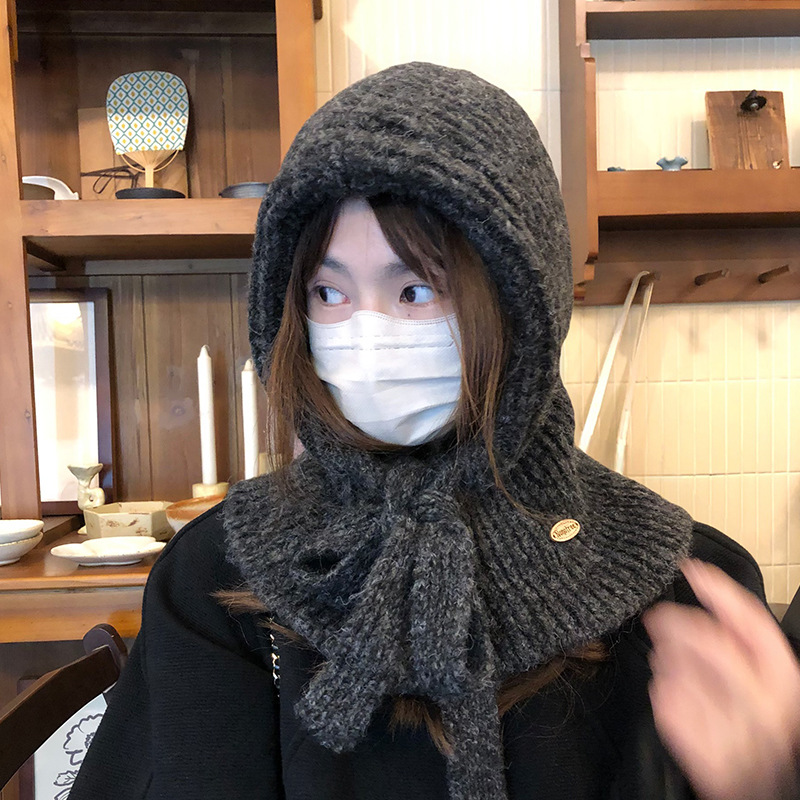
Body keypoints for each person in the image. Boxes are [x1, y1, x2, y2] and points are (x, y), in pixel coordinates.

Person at [69, 62, 800, 800]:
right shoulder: (216, 579)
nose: (367, 333)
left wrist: (761, 781)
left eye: (416, 289)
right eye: (328, 291)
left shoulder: (683, 594)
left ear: (522, 303)